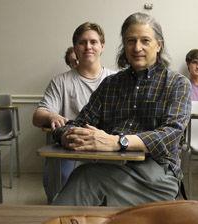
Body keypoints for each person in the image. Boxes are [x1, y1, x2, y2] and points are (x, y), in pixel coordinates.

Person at [51, 12, 190, 206]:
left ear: (159, 45)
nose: (137, 47)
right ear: (124, 46)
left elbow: (171, 133)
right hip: (111, 165)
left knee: (87, 178)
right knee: (85, 177)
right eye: (130, 41)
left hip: (157, 174)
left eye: (145, 40)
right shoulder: (110, 84)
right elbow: (78, 123)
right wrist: (67, 135)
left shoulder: (177, 83)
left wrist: (119, 142)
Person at [33, 22, 116, 203]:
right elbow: (38, 116)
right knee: (61, 191)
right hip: (70, 149)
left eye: (93, 42)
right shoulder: (60, 82)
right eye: (82, 42)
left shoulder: (116, 80)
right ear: (75, 48)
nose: (88, 47)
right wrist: (51, 115)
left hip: (108, 150)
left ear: (102, 46)